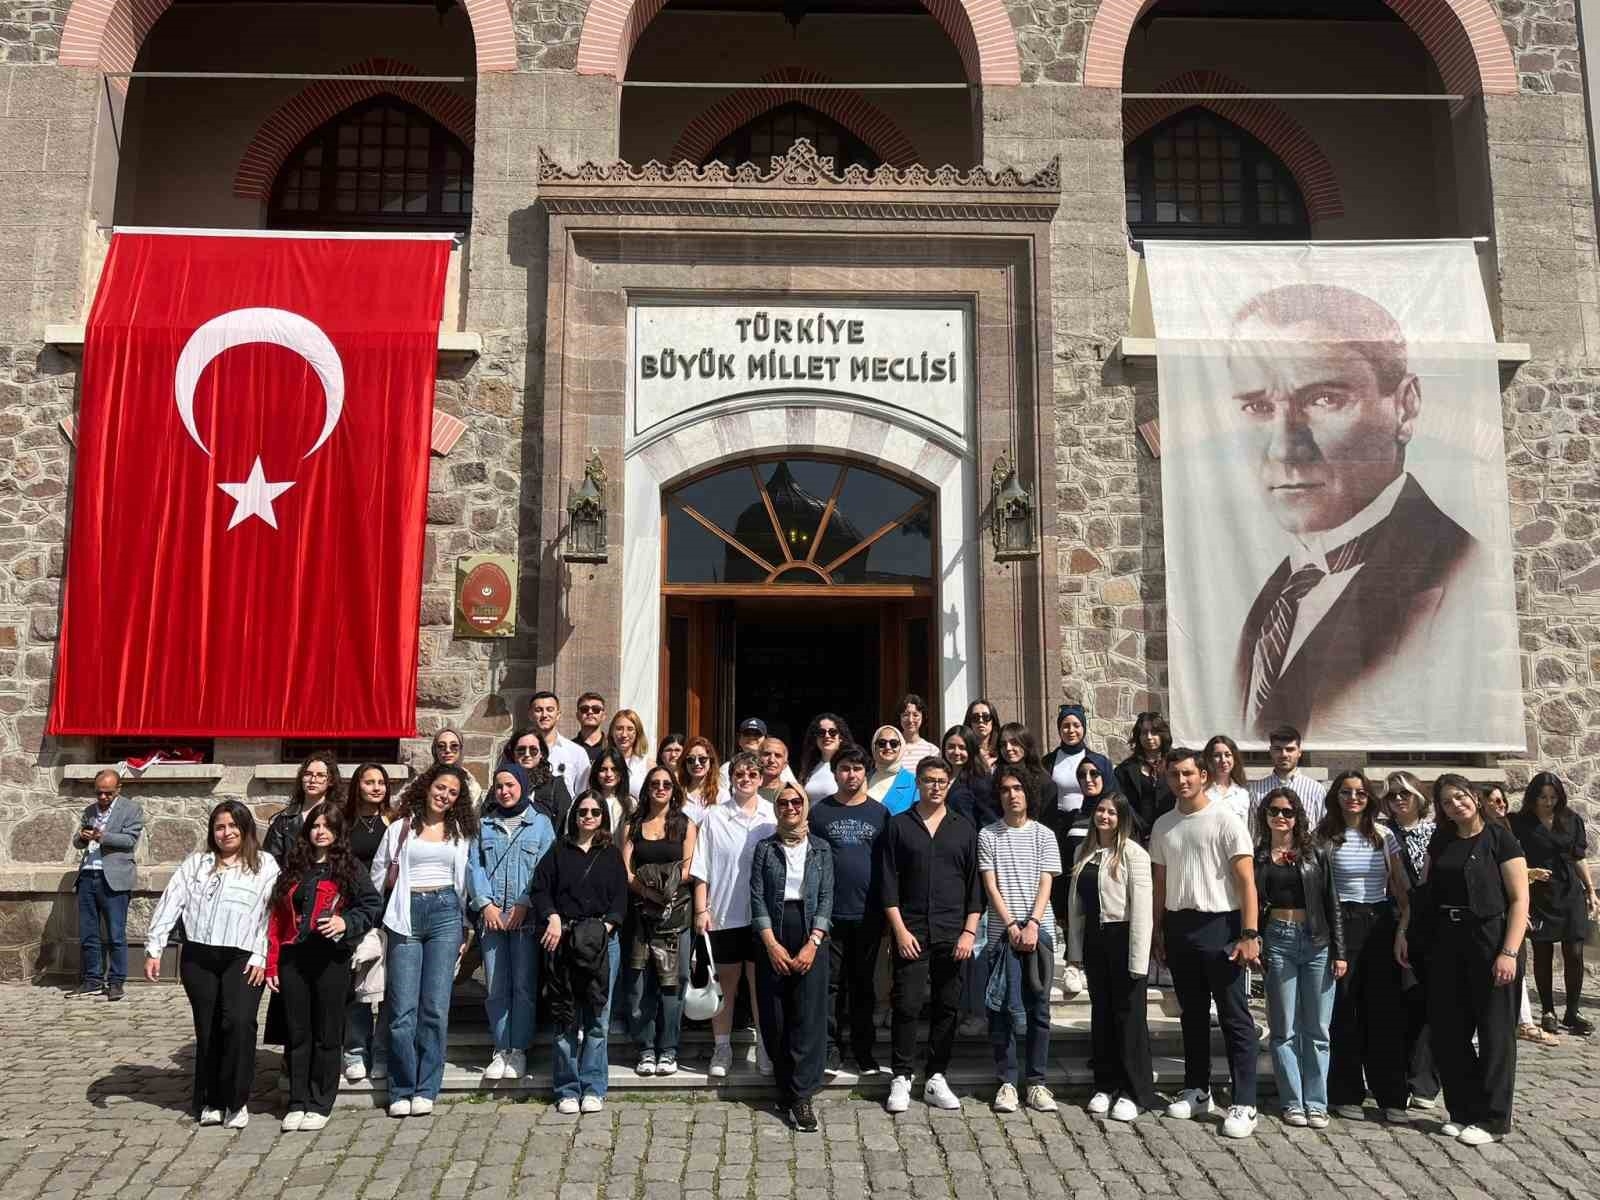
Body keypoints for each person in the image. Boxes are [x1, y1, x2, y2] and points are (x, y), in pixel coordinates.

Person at [1227, 284, 1498, 742]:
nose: (1284, 448)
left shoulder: (1462, 579)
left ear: (1405, 407)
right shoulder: (1276, 597)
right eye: (1258, 406)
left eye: (1324, 399)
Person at [1409, 774, 1529, 1145]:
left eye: (1460, 797)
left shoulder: (1499, 838)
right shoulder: (1441, 840)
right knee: (1448, 1030)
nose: (1455, 805)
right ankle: (1463, 1111)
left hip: (1490, 937)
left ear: (1474, 798)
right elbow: (1425, 890)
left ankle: (1493, 1120)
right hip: (1447, 939)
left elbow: (1519, 899)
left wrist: (1508, 952)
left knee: (1494, 1033)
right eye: (1446, 802)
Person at [145, 800, 279, 1129]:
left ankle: (236, 1100)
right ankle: (211, 1100)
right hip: (200, 956)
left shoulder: (265, 865)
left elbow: (269, 916)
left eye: (233, 826)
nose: (226, 832)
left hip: (243, 957)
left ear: (246, 828)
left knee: (238, 1022)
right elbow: (171, 901)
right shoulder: (197, 864)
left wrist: (262, 955)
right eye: (220, 827)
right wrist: (154, 947)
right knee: (209, 1028)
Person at [1150, 747, 1260, 1138]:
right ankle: (1198, 1089)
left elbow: (1247, 882)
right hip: (1180, 927)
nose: (1181, 781)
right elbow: (1160, 884)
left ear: (1203, 777)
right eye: (1174, 775)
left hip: (1222, 924)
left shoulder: (1226, 820)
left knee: (1234, 1017)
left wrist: (1249, 934)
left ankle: (1245, 1101)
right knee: (1191, 1014)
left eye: (1188, 774)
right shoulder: (1163, 825)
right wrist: (1158, 932)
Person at [266, 803, 383, 1132]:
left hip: (331, 958)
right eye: (315, 825)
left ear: (337, 832)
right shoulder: (294, 867)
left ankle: (320, 1102)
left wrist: (345, 922)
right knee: (298, 1031)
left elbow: (372, 905)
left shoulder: (349, 868)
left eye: (327, 826)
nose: (320, 831)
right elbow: (276, 919)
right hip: (294, 957)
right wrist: (273, 963)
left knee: (327, 1033)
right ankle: (297, 1101)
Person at [370, 763, 477, 1118]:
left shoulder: (461, 832)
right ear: (427, 786)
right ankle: (401, 1087)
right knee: (402, 1009)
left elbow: (465, 881)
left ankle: (427, 1087)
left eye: (452, 793)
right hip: (406, 914)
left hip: (446, 913)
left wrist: (465, 926)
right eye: (440, 787)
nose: (444, 796)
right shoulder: (400, 828)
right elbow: (377, 875)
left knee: (434, 1007)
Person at [880, 757, 982, 1113]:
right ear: (918, 784)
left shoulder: (964, 828)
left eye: (941, 780)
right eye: (928, 780)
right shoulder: (898, 826)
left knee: (947, 1006)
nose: (935, 786)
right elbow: (887, 884)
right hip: (911, 930)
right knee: (907, 1004)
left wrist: (970, 931)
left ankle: (937, 1075)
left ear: (949, 784)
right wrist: (899, 931)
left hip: (953, 932)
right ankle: (902, 1075)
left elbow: (974, 887)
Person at [1315, 769, 1411, 1122]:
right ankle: (1345, 1091)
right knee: (1343, 1011)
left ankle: (1392, 1096)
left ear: (1369, 797)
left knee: (1384, 1011)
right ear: (1335, 797)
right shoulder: (1324, 836)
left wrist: (1403, 929)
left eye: (1359, 792)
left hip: (1379, 923)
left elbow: (1401, 888)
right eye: (1345, 792)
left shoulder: (1384, 836)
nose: (1353, 798)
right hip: (1341, 925)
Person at [1253, 786, 1344, 1129]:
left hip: (1316, 940)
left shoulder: (1315, 852)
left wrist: (1339, 950)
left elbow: (1331, 901)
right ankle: (1293, 1100)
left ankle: (1316, 1102)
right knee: (1284, 1025)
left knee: (1318, 1027)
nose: (1280, 817)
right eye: (1274, 811)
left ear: (1298, 817)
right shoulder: (1259, 856)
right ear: (1265, 815)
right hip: (1278, 939)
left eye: (1287, 812)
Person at [533, 793, 629, 1114]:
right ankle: (566, 1088)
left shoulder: (612, 854)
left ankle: (594, 1086)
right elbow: (540, 889)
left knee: (598, 1020)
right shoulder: (558, 852)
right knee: (564, 1019)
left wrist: (605, 930)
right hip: (564, 941)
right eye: (583, 811)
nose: (588, 816)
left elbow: (620, 899)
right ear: (574, 815)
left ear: (603, 817)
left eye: (595, 812)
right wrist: (553, 917)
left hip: (602, 943)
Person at [1067, 788, 1158, 1121]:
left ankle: (1134, 1091)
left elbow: (1143, 911)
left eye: (1112, 813)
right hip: (1095, 940)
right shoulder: (1083, 851)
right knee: (1102, 1014)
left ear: (1122, 819)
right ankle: (1104, 1084)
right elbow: (1076, 910)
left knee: (1129, 1017)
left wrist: (1138, 959)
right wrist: (1074, 954)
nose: (1105, 817)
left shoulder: (1134, 854)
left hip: (1124, 939)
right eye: (1101, 811)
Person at [750, 782, 834, 1132]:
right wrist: (770, 943)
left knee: (808, 1013)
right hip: (774, 929)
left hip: (810, 929)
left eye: (796, 802)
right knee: (775, 1014)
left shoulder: (822, 849)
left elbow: (828, 896)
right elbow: (756, 896)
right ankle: (785, 1087)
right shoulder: (765, 849)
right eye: (783, 803)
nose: (790, 808)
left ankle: (802, 1095)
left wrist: (813, 942)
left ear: (805, 806)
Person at [692, 750, 779, 1078]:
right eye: (740, 774)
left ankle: (766, 1049)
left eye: (752, 775)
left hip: (762, 916)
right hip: (724, 913)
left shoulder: (771, 817)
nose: (745, 779)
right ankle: (722, 1047)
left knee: (761, 985)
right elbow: (702, 867)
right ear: (732, 778)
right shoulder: (714, 816)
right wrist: (701, 909)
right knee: (725, 984)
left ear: (760, 779)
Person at [980, 764, 1061, 1114]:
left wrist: (1031, 924)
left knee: (1038, 1010)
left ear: (1028, 793)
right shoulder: (987, 835)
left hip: (1038, 933)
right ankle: (1007, 1082)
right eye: (1005, 789)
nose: (1012, 795)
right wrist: (1012, 924)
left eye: (1017, 788)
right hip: (1002, 935)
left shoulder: (1044, 835)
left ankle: (1037, 1082)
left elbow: (1046, 883)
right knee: (1002, 1011)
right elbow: (990, 885)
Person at [469, 762, 556, 1083]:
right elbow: (474, 866)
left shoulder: (541, 824)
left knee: (522, 985)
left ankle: (518, 1048)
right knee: (495, 985)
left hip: (526, 920)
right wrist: (485, 904)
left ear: (522, 786)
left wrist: (524, 902)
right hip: (492, 919)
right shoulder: (485, 825)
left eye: (510, 785)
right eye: (499, 786)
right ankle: (500, 1046)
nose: (504, 792)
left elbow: (544, 869)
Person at [808, 744, 889, 1075]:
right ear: (835, 772)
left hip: (868, 913)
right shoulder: (820, 813)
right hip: (829, 914)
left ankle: (863, 1050)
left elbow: (887, 866)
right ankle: (829, 1048)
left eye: (857, 768)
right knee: (830, 985)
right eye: (844, 768)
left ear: (865, 772)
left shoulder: (879, 814)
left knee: (863, 985)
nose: (851, 774)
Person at [263, 750, 340, 1055]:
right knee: (290, 992)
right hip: (292, 910)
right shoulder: (285, 821)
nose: (313, 779)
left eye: (320, 775)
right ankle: (292, 1054)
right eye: (308, 774)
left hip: (327, 911)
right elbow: (270, 864)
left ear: (330, 780)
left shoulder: (338, 816)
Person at [623, 765, 697, 1077]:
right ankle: (645, 1048)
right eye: (655, 783)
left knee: (673, 983)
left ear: (674, 789)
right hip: (640, 912)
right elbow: (624, 868)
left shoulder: (684, 824)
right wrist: (646, 891)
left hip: (676, 913)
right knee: (641, 984)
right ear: (647, 788)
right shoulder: (634, 823)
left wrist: (662, 892)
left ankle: (668, 1049)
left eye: (667, 783)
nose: (661, 787)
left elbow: (688, 869)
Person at [1512, 772, 1596, 1036]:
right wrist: (1529, 871)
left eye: (1553, 797)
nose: (1548, 802)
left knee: (1575, 952)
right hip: (1538, 892)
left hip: (1569, 890)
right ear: (1533, 797)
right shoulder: (1520, 823)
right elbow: (1511, 857)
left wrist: (1591, 889)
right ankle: (1548, 1010)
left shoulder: (1571, 819)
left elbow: (1578, 856)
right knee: (1543, 952)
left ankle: (1572, 1011)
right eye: (1542, 797)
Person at [1381, 770, 1442, 1103]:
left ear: (1419, 797)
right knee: (1396, 1002)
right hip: (1391, 923)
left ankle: (1423, 1080)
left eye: (1405, 793)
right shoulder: (1382, 832)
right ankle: (1396, 1077)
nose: (1399, 800)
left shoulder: (1437, 833)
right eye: (1392, 795)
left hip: (1430, 928)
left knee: (1425, 1003)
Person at [343, 762, 395, 1083]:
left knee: (387, 985)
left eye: (381, 782)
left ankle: (381, 1051)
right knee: (356, 985)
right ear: (357, 786)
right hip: (354, 909)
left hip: (388, 910)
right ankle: (355, 1051)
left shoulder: (395, 821)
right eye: (369, 782)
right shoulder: (345, 822)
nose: (376, 787)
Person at [72, 769, 144, 1001]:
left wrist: (103, 836)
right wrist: (83, 837)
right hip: (87, 877)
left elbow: (130, 839)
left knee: (115, 934)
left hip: (114, 877)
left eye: (108, 793)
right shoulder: (89, 810)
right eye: (99, 793)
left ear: (118, 789)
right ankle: (92, 980)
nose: (102, 798)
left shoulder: (131, 809)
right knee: (88, 934)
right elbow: (77, 842)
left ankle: (116, 981)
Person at [1245, 726, 1326, 826]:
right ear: (1271, 751)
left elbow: (1322, 831)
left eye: (1290, 749)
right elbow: (1253, 832)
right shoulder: (1255, 790)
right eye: (1278, 749)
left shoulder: (1316, 790)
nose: (1284, 754)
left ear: (1299, 752)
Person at [1045, 704, 1115, 819]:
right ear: (1059, 729)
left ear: (1083, 728)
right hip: (1057, 824)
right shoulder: (1048, 762)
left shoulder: (1096, 761)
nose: (1071, 730)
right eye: (1066, 726)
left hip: (1088, 821)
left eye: (1076, 725)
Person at [1113, 711, 1173, 839]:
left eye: (1154, 732)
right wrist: (1142, 827)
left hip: (1171, 831)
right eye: (1144, 733)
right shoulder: (1125, 770)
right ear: (1138, 737)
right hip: (1137, 835)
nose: (1149, 737)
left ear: (1163, 735)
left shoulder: (1175, 765)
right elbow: (1123, 804)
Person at [502, 727, 574, 832]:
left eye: (533, 750)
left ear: (541, 754)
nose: (527, 754)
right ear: (513, 754)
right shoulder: (500, 785)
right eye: (521, 750)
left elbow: (564, 825)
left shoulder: (555, 785)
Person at [529, 691, 592, 797]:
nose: (544, 715)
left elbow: (583, 795)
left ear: (558, 715)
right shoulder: (519, 751)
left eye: (550, 710)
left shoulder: (576, 752)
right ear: (530, 715)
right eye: (538, 710)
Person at [996, 722, 1060, 819]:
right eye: (1003, 744)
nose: (1008, 748)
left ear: (1025, 745)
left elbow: (1050, 822)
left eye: (1014, 743)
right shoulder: (996, 778)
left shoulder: (1044, 782)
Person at [942, 725, 996, 831]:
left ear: (971, 749)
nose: (956, 752)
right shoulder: (940, 776)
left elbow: (989, 819)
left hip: (969, 843)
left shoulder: (980, 780)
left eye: (962, 747)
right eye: (951, 747)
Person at [719, 718, 798, 791]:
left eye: (757, 734)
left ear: (765, 739)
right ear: (739, 739)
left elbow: (794, 791)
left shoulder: (777, 765)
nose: (752, 737)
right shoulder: (726, 768)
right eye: (747, 734)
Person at [798, 712, 854, 802]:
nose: (827, 736)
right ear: (815, 738)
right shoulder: (808, 768)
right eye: (821, 732)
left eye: (832, 732)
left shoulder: (851, 767)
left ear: (841, 737)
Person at [582, 746, 634, 834]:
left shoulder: (631, 803)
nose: (609, 774)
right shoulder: (584, 802)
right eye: (603, 769)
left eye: (614, 769)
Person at [867, 725, 918, 814]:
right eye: (882, 743)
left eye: (894, 743)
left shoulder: (915, 782)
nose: (888, 747)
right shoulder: (864, 779)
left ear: (901, 747)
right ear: (874, 747)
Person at [1203, 735, 1252, 825]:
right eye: (1217, 755)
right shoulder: (1201, 791)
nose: (1223, 760)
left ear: (1234, 758)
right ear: (1209, 759)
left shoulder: (1242, 793)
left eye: (1227, 755)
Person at [609, 708, 652, 799]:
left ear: (637, 733)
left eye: (630, 729)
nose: (624, 735)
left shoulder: (648, 765)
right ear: (612, 732)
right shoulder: (602, 762)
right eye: (619, 729)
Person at [678, 736, 726, 816]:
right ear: (684, 763)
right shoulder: (677, 794)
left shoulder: (721, 795)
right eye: (691, 759)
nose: (696, 763)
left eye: (702, 759)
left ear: (711, 761)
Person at [896, 694, 939, 771]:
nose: (910, 720)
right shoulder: (891, 746)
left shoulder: (932, 750)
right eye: (905, 715)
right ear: (900, 717)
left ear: (923, 717)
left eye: (916, 715)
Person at [963, 698, 1001, 769]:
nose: (981, 721)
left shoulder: (1002, 749)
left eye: (986, 717)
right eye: (975, 717)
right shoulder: (963, 751)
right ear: (969, 722)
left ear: (993, 720)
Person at [575, 692, 608, 764]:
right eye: (584, 709)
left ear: (604, 716)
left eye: (596, 709)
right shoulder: (569, 748)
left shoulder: (613, 747)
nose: (590, 712)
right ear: (577, 715)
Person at [758, 737, 794, 803]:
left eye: (777, 755)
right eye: (767, 754)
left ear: (785, 765)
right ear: (758, 760)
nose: (771, 760)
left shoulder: (793, 794)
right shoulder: (747, 791)